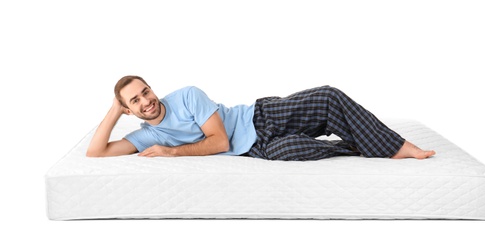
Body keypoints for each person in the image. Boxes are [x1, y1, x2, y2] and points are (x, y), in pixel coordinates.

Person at [86, 75, 436, 160]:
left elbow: (220, 142)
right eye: (135, 101)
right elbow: (96, 153)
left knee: (328, 96)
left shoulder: (186, 97)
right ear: (130, 110)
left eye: (145, 91)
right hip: (255, 149)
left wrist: (171, 152)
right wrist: (114, 109)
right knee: (296, 151)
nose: (146, 100)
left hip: (259, 118)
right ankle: (363, 146)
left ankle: (398, 146)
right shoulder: (147, 134)